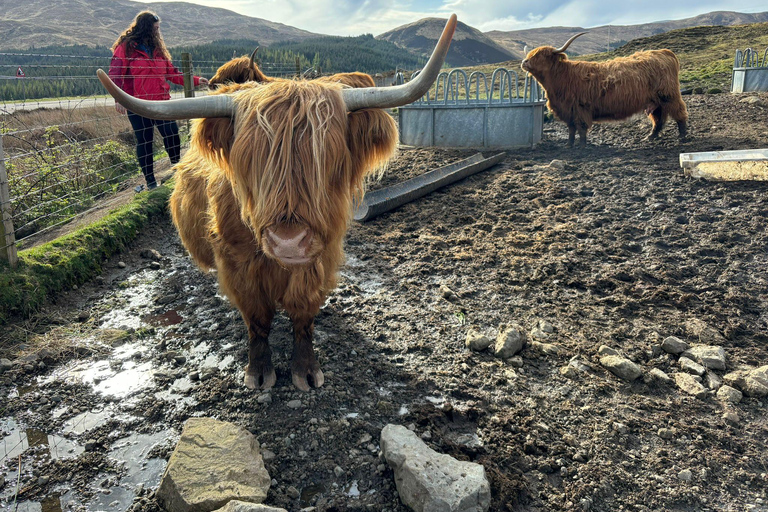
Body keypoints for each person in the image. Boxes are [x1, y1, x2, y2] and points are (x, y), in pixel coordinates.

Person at [108, 11, 209, 190]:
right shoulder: (126, 47)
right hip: (138, 104)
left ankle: (177, 173)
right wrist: (119, 97)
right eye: (155, 28)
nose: (157, 32)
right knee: (145, 142)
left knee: (172, 135)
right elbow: (115, 73)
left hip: (163, 102)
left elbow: (172, 73)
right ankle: (151, 182)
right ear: (145, 28)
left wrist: (194, 80)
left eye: (158, 28)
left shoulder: (158, 49)